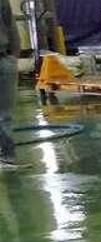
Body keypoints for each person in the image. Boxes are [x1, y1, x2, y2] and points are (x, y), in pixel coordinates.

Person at [0, 0, 20, 169]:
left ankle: (8, 157)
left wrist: (13, 57)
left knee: (4, 114)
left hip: (3, 59)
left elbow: (11, 26)